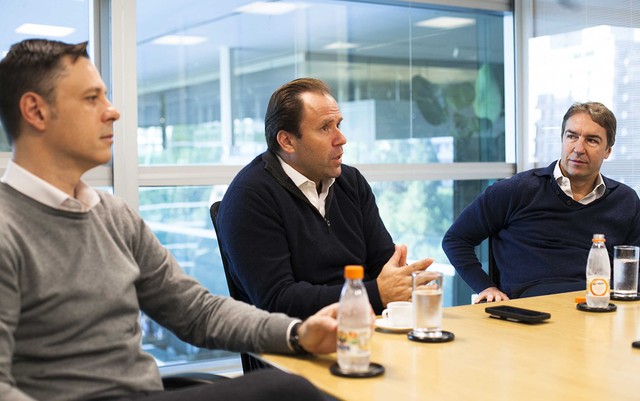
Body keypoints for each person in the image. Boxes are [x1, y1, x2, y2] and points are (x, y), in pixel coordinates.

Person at [0, 39, 339, 401]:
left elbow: (196, 312)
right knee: (288, 392)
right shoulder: (8, 229)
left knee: (301, 389)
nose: (112, 112)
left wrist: (296, 334)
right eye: (91, 98)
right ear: (36, 111)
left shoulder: (113, 216)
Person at [216, 78, 433, 319]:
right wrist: (375, 294)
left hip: (368, 326)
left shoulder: (351, 181)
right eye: (325, 128)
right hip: (299, 337)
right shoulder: (249, 197)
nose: (341, 138)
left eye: (338, 125)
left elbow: (384, 264)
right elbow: (278, 301)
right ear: (287, 141)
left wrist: (404, 283)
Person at [442, 101, 640, 303]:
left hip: (599, 307)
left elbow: (635, 266)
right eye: (572, 136)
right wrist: (486, 287)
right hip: (530, 310)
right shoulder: (517, 190)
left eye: (591, 140)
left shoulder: (625, 201)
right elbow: (456, 239)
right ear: (562, 139)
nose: (578, 148)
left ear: (608, 150)